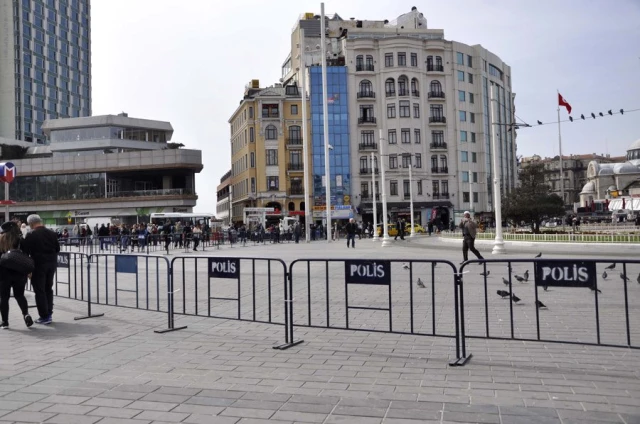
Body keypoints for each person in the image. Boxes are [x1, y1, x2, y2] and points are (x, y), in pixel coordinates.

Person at [21, 214, 60, 325]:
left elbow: (25, 252)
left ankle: (44, 316)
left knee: (39, 290)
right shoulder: (52, 233)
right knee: (48, 288)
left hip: (38, 265)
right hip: (51, 264)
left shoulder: (30, 234)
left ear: (31, 224)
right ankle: (49, 313)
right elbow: (57, 248)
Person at [0, 221, 35, 330]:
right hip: (20, 273)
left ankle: (5, 322)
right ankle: (26, 314)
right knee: (19, 295)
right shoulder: (21, 241)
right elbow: (27, 256)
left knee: (4, 298)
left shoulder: (1, 241)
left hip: (3, 273)